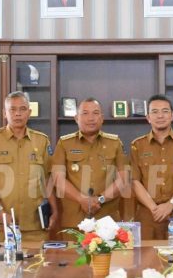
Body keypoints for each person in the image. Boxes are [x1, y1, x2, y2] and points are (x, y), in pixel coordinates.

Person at [0, 91, 57, 242]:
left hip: (35, 224)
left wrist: (55, 210)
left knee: (36, 265)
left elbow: (47, 179)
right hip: (2, 224)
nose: (17, 114)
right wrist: (0, 212)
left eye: (22, 109)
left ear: (29, 112)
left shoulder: (42, 141)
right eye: (12, 109)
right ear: (4, 113)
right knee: (2, 264)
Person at [130, 94, 173, 239]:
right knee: (147, 258)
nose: (160, 116)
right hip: (149, 215)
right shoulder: (137, 146)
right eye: (154, 112)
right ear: (148, 117)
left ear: (172, 115)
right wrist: (154, 208)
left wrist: (170, 204)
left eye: (165, 111)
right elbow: (134, 182)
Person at [52, 98, 129, 230]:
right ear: (76, 118)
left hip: (107, 221)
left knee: (107, 251)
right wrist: (81, 199)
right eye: (85, 113)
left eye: (95, 113)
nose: (91, 118)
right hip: (74, 220)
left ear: (102, 118)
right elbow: (58, 179)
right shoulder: (64, 143)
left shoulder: (115, 143)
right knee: (73, 252)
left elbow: (123, 179)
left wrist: (100, 199)